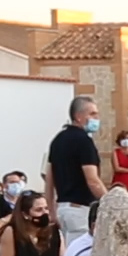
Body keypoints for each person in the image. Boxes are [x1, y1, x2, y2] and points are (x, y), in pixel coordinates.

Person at [45, 97, 105, 244]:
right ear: (78, 116)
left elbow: (49, 179)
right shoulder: (84, 141)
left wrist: (51, 210)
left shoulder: (57, 140)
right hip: (80, 209)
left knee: (69, 249)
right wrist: (110, 200)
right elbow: (92, 180)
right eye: (92, 114)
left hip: (63, 209)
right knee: (81, 251)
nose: (96, 118)